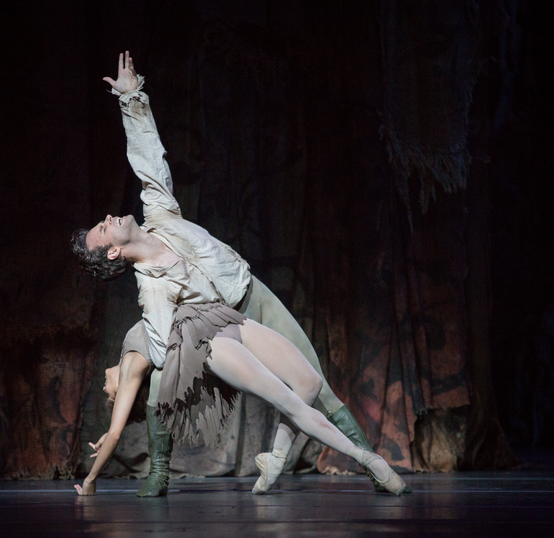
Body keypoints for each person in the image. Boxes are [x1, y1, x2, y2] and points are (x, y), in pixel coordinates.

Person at [71, 51, 410, 496]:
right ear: (113, 251)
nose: (111, 216)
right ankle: (161, 472)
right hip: (220, 328)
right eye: (103, 227)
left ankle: (283, 456)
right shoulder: (149, 286)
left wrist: (132, 100)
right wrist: (148, 364)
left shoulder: (159, 214)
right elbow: (160, 343)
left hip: (250, 294)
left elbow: (148, 161)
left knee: (313, 380)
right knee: (270, 391)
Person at [75, 319, 408, 496]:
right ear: (124, 394)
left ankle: (275, 460)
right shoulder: (133, 364)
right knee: (292, 404)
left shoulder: (128, 356)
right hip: (211, 342)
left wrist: (109, 430)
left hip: (226, 319)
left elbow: (116, 427)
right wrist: (90, 481)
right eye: (111, 397)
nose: (106, 388)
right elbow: (119, 430)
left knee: (310, 383)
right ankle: (366, 457)